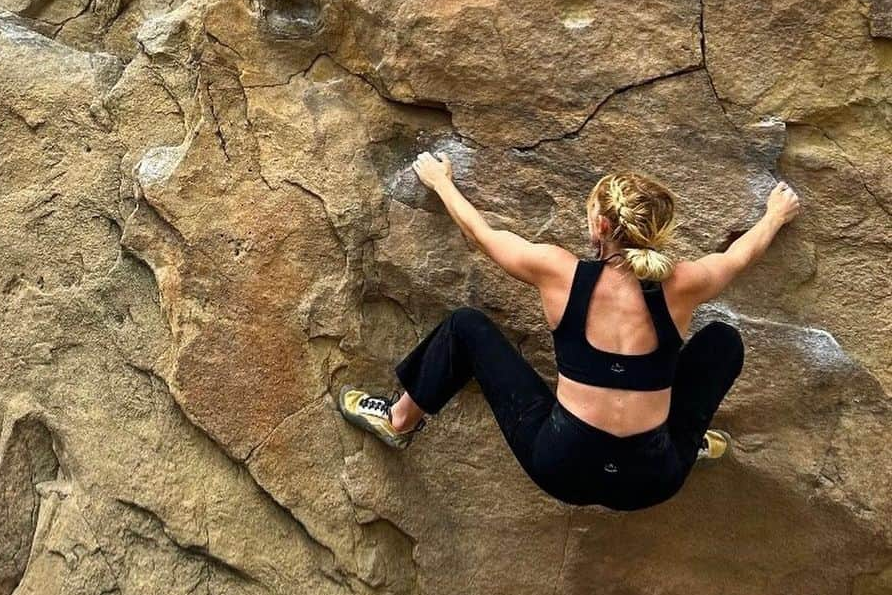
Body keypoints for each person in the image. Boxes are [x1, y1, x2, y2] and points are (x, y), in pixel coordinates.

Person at [337, 159, 801, 511]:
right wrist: (775, 215)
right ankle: (686, 438)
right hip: (653, 479)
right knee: (723, 341)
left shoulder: (560, 272)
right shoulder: (685, 283)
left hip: (562, 467)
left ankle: (400, 419)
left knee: (466, 327)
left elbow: (481, 235)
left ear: (600, 226)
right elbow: (741, 256)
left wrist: (441, 181)